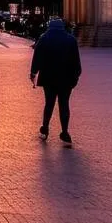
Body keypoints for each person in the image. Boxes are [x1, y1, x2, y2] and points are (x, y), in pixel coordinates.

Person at [30, 17, 83, 146]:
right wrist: (76, 76)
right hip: (66, 79)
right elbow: (76, 61)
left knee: (49, 103)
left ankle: (45, 128)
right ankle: (65, 133)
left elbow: (37, 57)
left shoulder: (44, 39)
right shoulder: (71, 40)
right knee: (64, 104)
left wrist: (33, 73)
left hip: (48, 78)